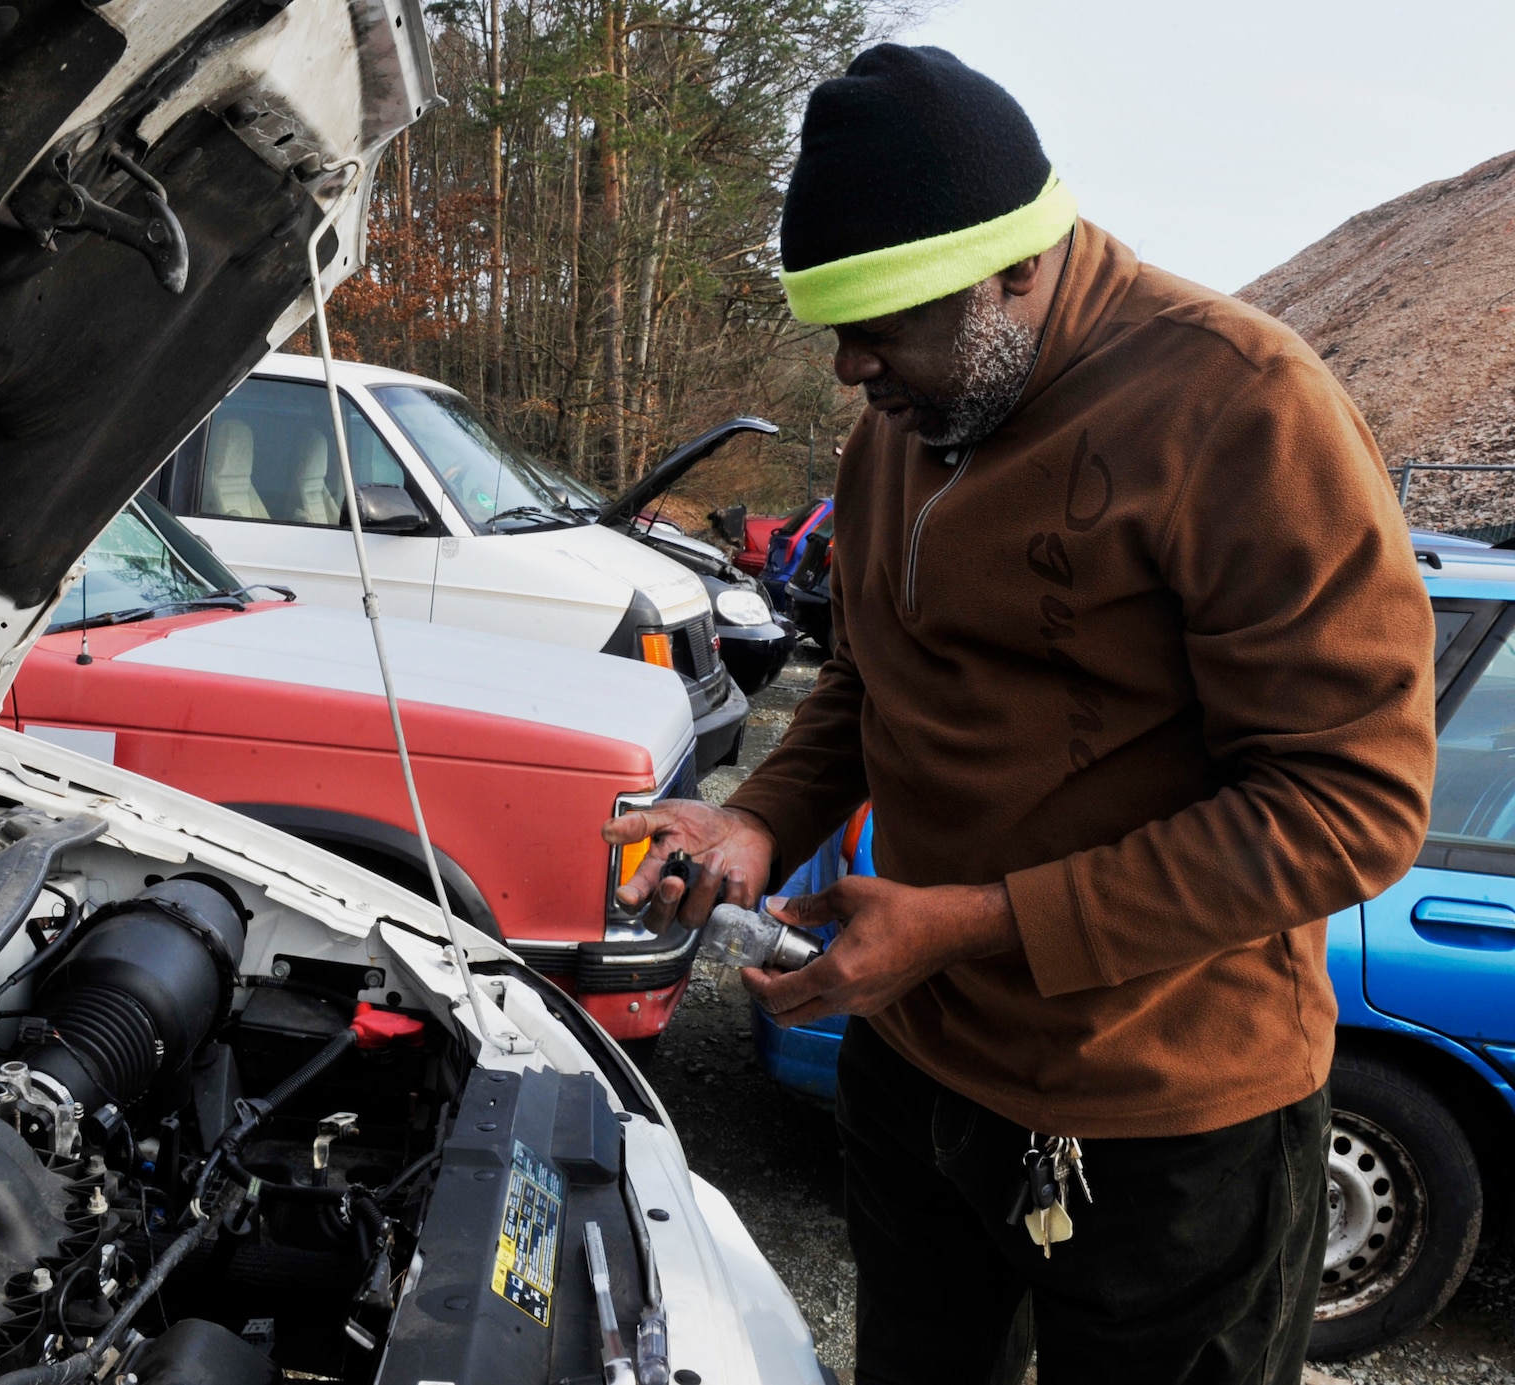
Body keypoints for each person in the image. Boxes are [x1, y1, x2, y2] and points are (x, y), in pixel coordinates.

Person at [602, 44, 1437, 1385]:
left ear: (1017, 268)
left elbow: (1355, 805)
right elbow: (871, 677)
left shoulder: (1243, 407)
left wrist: (980, 923)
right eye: (838, 332)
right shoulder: (914, 416)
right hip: (920, 1071)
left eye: (883, 329)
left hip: (1170, 1121)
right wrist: (757, 821)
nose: (850, 374)